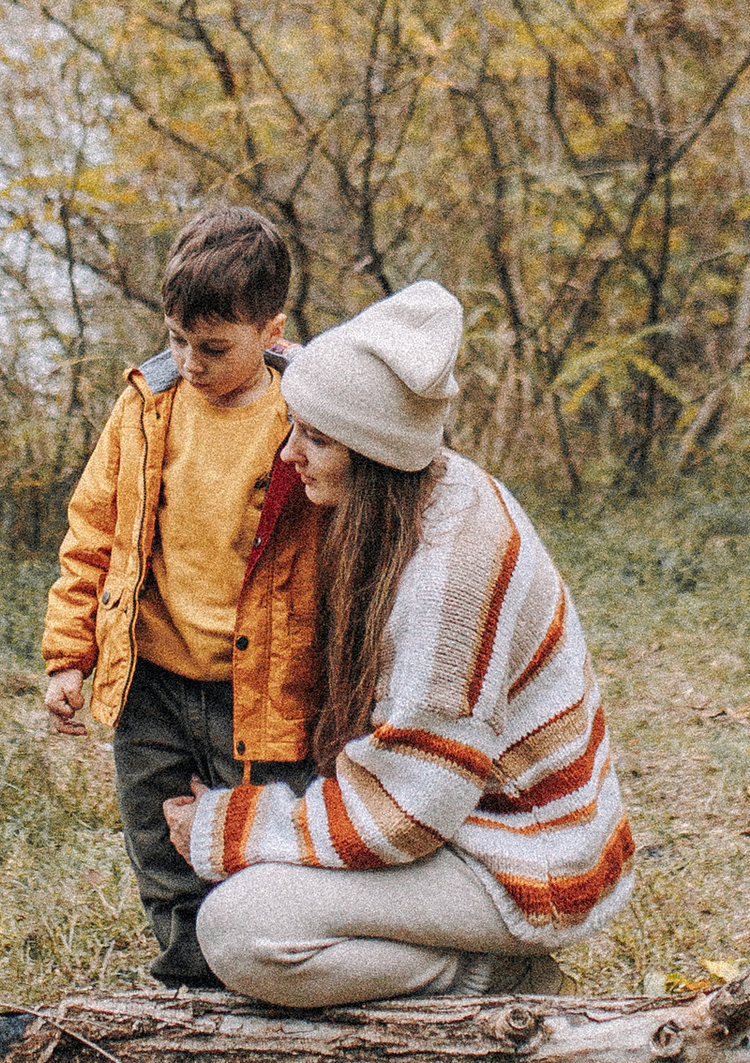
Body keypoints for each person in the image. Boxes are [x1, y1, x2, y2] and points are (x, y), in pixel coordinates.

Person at [166, 282, 635, 1004]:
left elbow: (409, 809)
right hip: (467, 822)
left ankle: (492, 978)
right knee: (249, 907)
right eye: (295, 427)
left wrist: (230, 828)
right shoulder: (421, 495)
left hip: (520, 859)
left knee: (239, 929)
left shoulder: (451, 574)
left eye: (317, 439)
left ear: (376, 453)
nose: (290, 454)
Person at [40, 207, 321, 988]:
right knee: (160, 845)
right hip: (154, 680)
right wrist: (71, 655)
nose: (189, 362)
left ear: (271, 330)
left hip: (260, 687)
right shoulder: (145, 407)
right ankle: (187, 983)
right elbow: (93, 529)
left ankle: (261, 977)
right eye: (175, 340)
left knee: (255, 841)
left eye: (212, 347)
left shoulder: (307, 416)